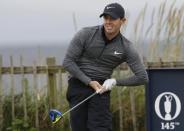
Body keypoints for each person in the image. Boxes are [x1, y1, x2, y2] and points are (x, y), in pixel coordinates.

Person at [62, 2, 148, 131]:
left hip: (101, 89)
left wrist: (114, 81)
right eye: (106, 18)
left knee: (100, 127)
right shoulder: (86, 34)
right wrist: (89, 81)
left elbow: (142, 77)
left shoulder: (126, 47)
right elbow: (68, 62)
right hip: (78, 84)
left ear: (123, 21)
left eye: (112, 18)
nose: (108, 22)